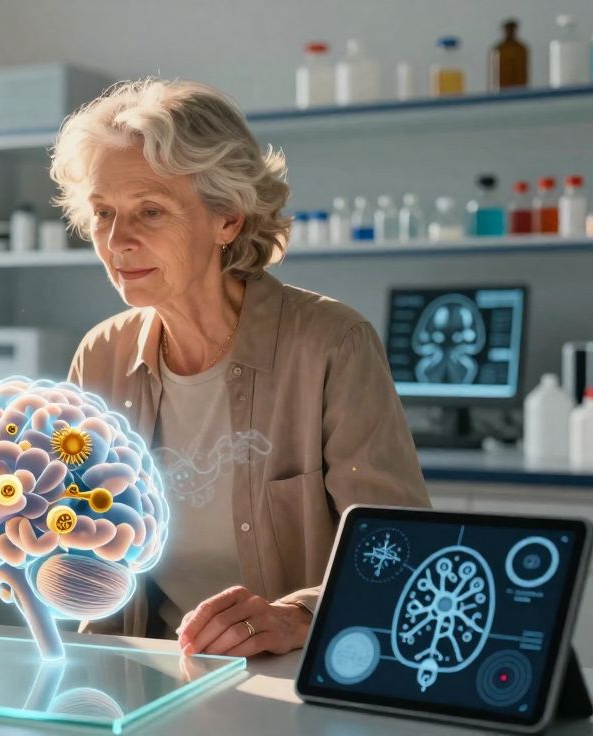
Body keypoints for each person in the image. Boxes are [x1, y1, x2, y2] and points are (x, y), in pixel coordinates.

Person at [50, 78, 429, 657]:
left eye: (150, 211)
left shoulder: (331, 344)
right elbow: (82, 550)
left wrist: (296, 618)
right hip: (147, 672)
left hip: (299, 670)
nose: (117, 241)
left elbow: (400, 553)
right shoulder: (101, 355)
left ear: (227, 219)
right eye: (103, 213)